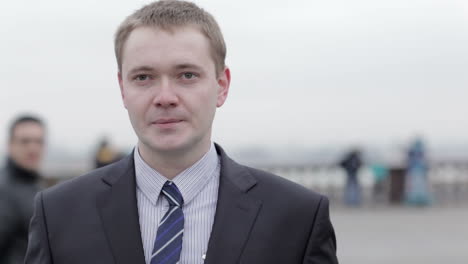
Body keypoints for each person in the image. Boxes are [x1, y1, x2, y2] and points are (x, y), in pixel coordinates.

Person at [25, 1, 338, 263]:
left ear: (222, 86)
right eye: (144, 77)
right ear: (122, 89)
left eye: (186, 75)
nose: (165, 97)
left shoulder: (297, 218)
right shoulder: (58, 215)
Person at [0, 115, 46, 264]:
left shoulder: (36, 186)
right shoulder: (3, 190)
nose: (33, 148)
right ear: (10, 145)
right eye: (25, 141)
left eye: (39, 142)